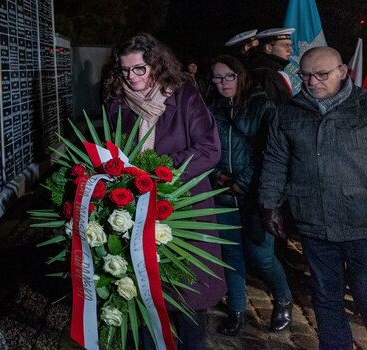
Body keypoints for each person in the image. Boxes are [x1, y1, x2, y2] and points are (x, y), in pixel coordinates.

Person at [103, 32, 225, 350]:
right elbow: (114, 152)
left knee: (187, 300)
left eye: (139, 69)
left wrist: (159, 170)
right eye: (125, 70)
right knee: (143, 298)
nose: (132, 77)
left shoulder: (184, 95)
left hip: (184, 211)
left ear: (156, 65)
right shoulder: (117, 100)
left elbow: (209, 149)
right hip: (135, 211)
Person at [259, 46, 367, 350]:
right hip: (314, 222)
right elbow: (275, 162)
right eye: (306, 75)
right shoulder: (287, 112)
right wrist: (270, 204)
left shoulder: (363, 106)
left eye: (322, 74)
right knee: (326, 295)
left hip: (361, 221)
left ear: (343, 72)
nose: (313, 81)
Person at [205, 55, 292, 336]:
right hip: (223, 194)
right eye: (218, 78)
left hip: (253, 195)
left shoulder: (261, 105)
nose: (223, 83)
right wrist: (219, 177)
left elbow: (269, 151)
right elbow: (207, 147)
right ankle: (237, 311)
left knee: (262, 257)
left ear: (240, 76)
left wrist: (242, 182)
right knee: (230, 255)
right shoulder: (212, 108)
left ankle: (283, 300)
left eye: (229, 76)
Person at [246, 28, 295, 105]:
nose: (290, 50)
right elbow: (283, 109)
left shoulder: (261, 68)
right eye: (286, 46)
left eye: (290, 45)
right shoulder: (269, 75)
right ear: (269, 48)